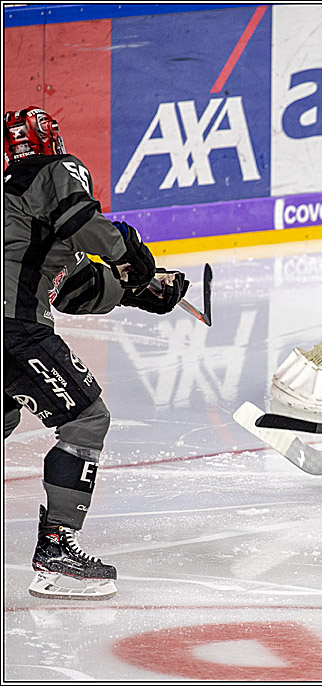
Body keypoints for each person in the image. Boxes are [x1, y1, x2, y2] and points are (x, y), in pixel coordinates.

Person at [4, 106, 190, 600]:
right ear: (52, 138)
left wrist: (136, 290)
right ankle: (58, 554)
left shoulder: (15, 200)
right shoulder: (53, 171)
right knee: (87, 420)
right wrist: (132, 254)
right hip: (13, 329)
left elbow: (69, 285)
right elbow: (89, 229)